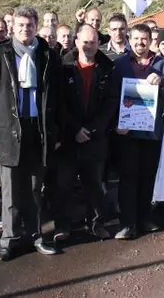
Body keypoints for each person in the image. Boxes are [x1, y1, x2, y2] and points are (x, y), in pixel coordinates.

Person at [0, 6, 63, 261]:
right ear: (13, 27)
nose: (25, 29)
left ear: (36, 26)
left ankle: (36, 235)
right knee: (10, 191)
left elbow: (58, 99)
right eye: (20, 26)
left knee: (35, 188)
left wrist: (56, 132)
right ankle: (9, 239)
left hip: (38, 131)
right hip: (8, 132)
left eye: (29, 25)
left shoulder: (48, 55)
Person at [112, 24, 164, 239]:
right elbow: (111, 98)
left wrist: (161, 82)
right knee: (128, 178)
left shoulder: (163, 64)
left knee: (148, 176)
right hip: (127, 132)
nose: (140, 42)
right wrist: (116, 123)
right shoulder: (120, 64)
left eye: (144, 39)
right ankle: (127, 223)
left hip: (152, 133)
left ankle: (144, 218)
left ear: (151, 40)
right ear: (130, 39)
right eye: (137, 39)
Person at [53, 25, 119, 242]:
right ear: (76, 41)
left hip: (96, 137)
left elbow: (111, 104)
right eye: (85, 41)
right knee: (64, 185)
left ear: (98, 43)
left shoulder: (108, 68)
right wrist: (74, 129)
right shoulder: (63, 66)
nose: (88, 46)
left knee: (96, 186)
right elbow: (58, 102)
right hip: (69, 137)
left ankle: (96, 223)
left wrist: (92, 130)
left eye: (92, 42)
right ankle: (63, 225)